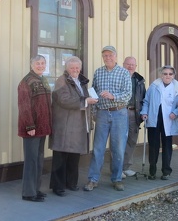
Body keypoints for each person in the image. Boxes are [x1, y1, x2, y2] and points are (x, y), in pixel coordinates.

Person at [83, 46, 132, 192]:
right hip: (102, 113)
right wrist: (92, 113)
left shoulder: (124, 73)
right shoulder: (98, 72)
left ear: (116, 57)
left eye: (110, 55)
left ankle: (117, 179)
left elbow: (128, 94)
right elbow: (93, 94)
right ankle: (93, 179)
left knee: (118, 148)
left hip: (119, 113)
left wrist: (113, 96)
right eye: (105, 55)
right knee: (98, 148)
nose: (108, 58)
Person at [49, 56, 98, 197]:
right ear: (67, 68)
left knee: (73, 156)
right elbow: (64, 100)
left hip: (78, 126)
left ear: (80, 68)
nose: (75, 70)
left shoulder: (80, 82)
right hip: (64, 125)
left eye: (77, 68)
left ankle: (71, 183)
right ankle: (58, 187)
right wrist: (86, 101)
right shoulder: (61, 81)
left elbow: (85, 101)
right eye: (72, 68)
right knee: (60, 156)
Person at [17, 55, 52, 202]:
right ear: (31, 65)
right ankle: (28, 193)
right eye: (37, 63)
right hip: (32, 128)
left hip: (42, 127)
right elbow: (24, 106)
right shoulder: (26, 82)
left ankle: (36, 189)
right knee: (31, 161)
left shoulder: (42, 80)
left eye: (43, 63)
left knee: (38, 160)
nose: (40, 65)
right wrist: (29, 126)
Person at [140, 65, 178, 180]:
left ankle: (166, 171)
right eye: (165, 73)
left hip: (168, 119)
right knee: (153, 145)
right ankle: (152, 170)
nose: (167, 76)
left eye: (170, 74)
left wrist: (176, 112)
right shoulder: (154, 86)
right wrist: (144, 112)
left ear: (173, 75)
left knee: (167, 146)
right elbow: (146, 101)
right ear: (161, 75)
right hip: (154, 119)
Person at [121, 57, 146, 178]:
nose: (130, 66)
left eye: (132, 64)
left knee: (131, 140)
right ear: (123, 64)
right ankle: (117, 169)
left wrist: (143, 113)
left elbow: (144, 99)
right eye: (128, 64)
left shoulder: (139, 80)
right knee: (119, 140)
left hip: (133, 113)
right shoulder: (118, 77)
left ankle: (126, 167)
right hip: (120, 112)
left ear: (135, 66)